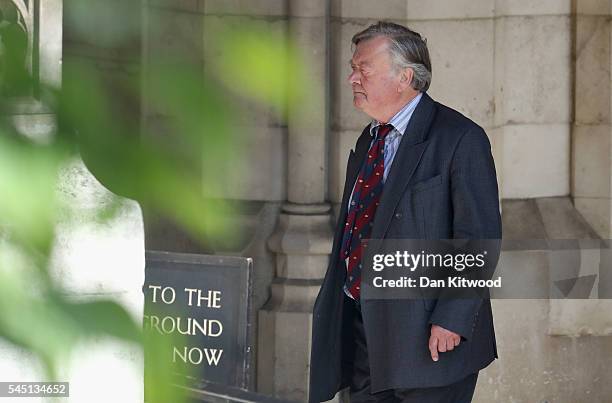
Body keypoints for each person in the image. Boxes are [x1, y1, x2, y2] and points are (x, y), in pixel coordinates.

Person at [309, 22, 502, 403]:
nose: (352, 78)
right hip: (364, 333)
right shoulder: (369, 139)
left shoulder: (460, 137)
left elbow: (478, 238)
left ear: (404, 77)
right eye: (353, 67)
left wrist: (452, 318)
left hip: (430, 340)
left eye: (363, 68)